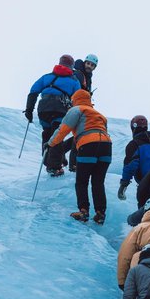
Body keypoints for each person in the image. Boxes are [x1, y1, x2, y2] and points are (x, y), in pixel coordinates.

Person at [47, 89, 113, 223]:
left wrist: (51, 143)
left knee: (82, 181)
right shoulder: (100, 115)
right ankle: (100, 213)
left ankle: (84, 211)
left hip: (89, 145)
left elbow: (63, 130)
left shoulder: (76, 110)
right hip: (106, 146)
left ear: (74, 100)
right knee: (98, 182)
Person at [25, 56, 81, 176]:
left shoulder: (46, 77)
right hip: (59, 109)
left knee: (47, 133)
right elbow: (78, 98)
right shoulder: (74, 81)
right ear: (72, 67)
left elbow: (33, 91)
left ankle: (50, 161)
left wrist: (29, 110)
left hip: (43, 109)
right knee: (57, 135)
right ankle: (54, 166)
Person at [116, 115, 150, 201]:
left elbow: (131, 165)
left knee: (147, 212)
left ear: (133, 127)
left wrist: (123, 185)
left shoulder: (134, 144)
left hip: (147, 185)